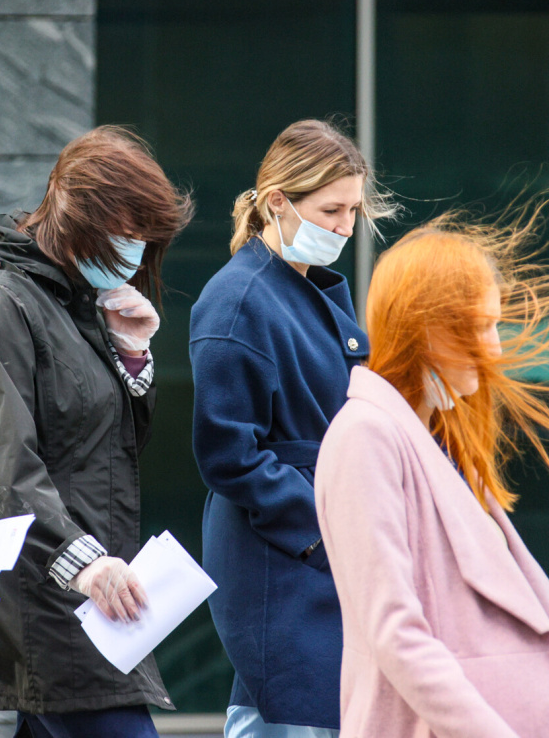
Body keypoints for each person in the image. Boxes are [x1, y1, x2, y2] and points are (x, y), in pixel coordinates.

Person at [315, 206, 549, 737]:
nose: (495, 346)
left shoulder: (429, 437)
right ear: (427, 326)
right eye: (481, 326)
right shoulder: (368, 435)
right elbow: (396, 632)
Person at [0, 126, 193, 738]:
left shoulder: (68, 296)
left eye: (143, 238)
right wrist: (84, 565)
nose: (134, 251)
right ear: (76, 217)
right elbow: (7, 460)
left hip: (76, 579)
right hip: (48, 583)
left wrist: (132, 358)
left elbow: (105, 448)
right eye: (124, 233)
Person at [189, 119, 399, 737]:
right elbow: (230, 455)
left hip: (316, 548)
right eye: (331, 210)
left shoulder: (303, 289)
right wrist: (326, 527)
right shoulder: (237, 299)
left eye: (354, 210)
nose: (346, 227)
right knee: (290, 714)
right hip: (286, 551)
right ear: (277, 201)